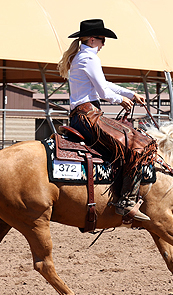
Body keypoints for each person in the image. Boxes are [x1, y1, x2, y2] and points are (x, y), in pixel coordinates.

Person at [58, 19, 157, 221]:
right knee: (137, 146)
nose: (104, 44)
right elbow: (103, 91)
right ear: (93, 39)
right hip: (89, 116)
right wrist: (121, 100)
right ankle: (127, 202)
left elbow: (104, 83)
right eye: (102, 39)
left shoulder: (81, 57)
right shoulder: (89, 58)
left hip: (82, 115)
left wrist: (129, 94)